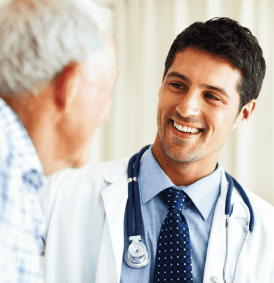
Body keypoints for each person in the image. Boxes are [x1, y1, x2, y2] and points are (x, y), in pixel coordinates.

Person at [39, 17, 274, 283]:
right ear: (162, 84)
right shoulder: (63, 190)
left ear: (244, 113)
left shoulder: (266, 234)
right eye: (177, 85)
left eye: (211, 96)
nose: (186, 109)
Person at [0, 0, 116, 282]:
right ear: (71, 85)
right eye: (105, 90)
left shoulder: (22, 172)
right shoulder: (7, 169)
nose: (107, 113)